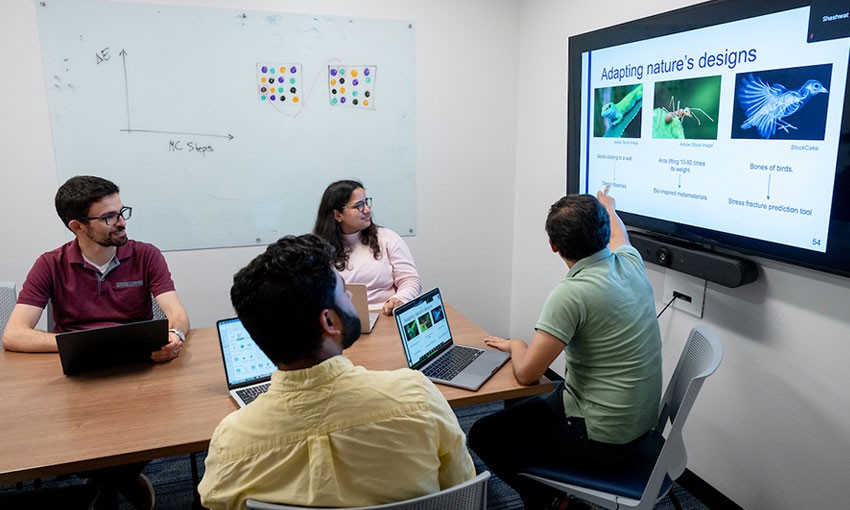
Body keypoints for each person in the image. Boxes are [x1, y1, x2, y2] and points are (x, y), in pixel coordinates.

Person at [198, 234, 475, 510]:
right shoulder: (417, 396)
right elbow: (463, 491)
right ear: (329, 321)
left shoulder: (230, 443)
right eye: (344, 290)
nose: (350, 297)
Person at [1, 175, 190, 510]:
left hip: (139, 370)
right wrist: (79, 342)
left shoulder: (146, 255)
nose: (121, 222)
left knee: (159, 428)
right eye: (108, 217)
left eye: (121, 211)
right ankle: (122, 481)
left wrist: (176, 336)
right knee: (80, 435)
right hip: (78, 375)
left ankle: (103, 484)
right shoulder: (51, 263)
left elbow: (176, 312)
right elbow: (14, 334)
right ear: (77, 226)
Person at [467, 186, 662, 510]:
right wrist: (608, 207)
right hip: (640, 425)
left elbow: (528, 373)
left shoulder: (571, 293)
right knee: (518, 407)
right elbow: (618, 232)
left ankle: (554, 503)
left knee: (483, 435)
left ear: (553, 245)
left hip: (601, 438)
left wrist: (516, 344)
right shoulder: (630, 262)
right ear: (601, 232)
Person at [313, 179, 421, 315]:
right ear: (338, 215)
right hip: (343, 322)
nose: (367, 210)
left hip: (387, 315)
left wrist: (399, 299)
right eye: (358, 205)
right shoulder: (319, 250)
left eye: (366, 202)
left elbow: (411, 280)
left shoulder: (387, 238)